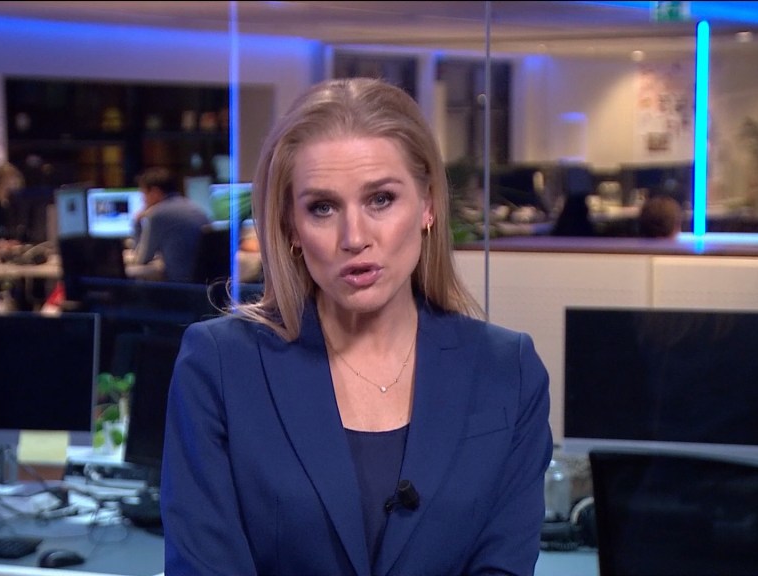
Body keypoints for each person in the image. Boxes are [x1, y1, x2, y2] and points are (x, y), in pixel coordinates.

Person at [161, 77, 554, 575]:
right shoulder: (220, 366)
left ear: (428, 205)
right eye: (322, 208)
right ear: (290, 227)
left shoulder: (506, 371)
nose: (354, 236)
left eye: (381, 200)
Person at [132, 166, 211, 283]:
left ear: (154, 192)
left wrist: (137, 222)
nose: (143, 200)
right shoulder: (193, 207)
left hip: (179, 284)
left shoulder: (158, 214)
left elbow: (142, 259)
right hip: (203, 282)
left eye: (143, 194)